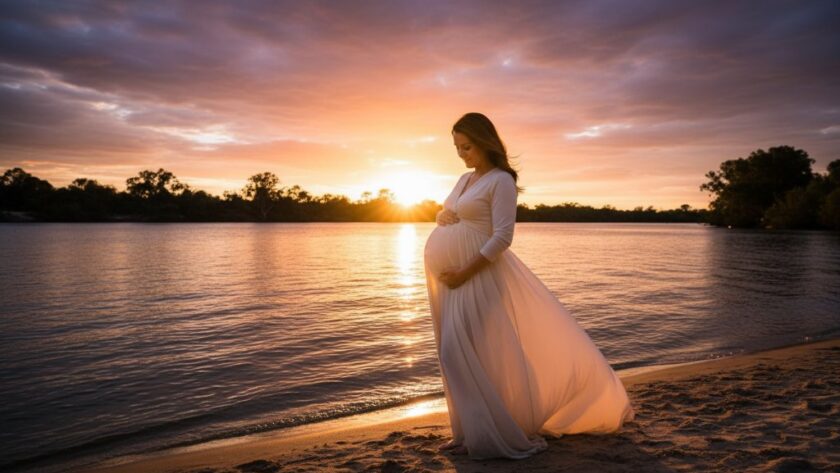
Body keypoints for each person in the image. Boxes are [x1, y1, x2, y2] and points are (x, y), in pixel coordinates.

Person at [423, 112, 635, 459]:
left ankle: (490, 432)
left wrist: (465, 271)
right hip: (452, 282)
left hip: (478, 278)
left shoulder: (501, 180)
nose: (461, 154)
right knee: (458, 356)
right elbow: (446, 212)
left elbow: (503, 236)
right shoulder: (465, 179)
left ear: (485, 142)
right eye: (457, 147)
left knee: (458, 352)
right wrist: (441, 217)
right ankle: (465, 433)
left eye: (467, 146)